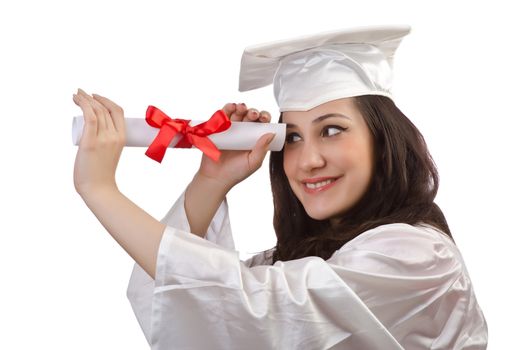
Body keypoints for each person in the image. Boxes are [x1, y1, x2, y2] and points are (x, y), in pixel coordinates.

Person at [73, 25, 488, 349]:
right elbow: (175, 301)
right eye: (291, 137)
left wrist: (99, 189)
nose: (308, 160)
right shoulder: (306, 258)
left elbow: (258, 307)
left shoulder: (417, 256)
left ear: (383, 140)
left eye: (331, 130)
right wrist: (211, 181)